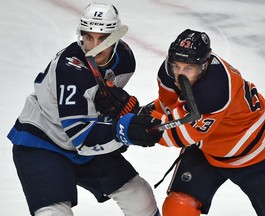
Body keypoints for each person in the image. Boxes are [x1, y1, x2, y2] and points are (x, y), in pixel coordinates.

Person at [110, 29, 265, 215]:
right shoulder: (167, 73)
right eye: (176, 66)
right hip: (207, 151)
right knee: (178, 207)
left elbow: (179, 134)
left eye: (189, 68)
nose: (180, 75)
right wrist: (140, 114)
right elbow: (170, 108)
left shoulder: (215, 90)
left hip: (255, 154)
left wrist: (134, 128)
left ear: (204, 66)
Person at [7, 2, 160, 216]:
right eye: (89, 37)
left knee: (140, 197)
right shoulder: (70, 68)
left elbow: (104, 104)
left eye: (103, 39)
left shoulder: (125, 59)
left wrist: (130, 117)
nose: (94, 46)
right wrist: (123, 129)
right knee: (54, 213)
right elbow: (82, 136)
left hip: (81, 139)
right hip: (43, 143)